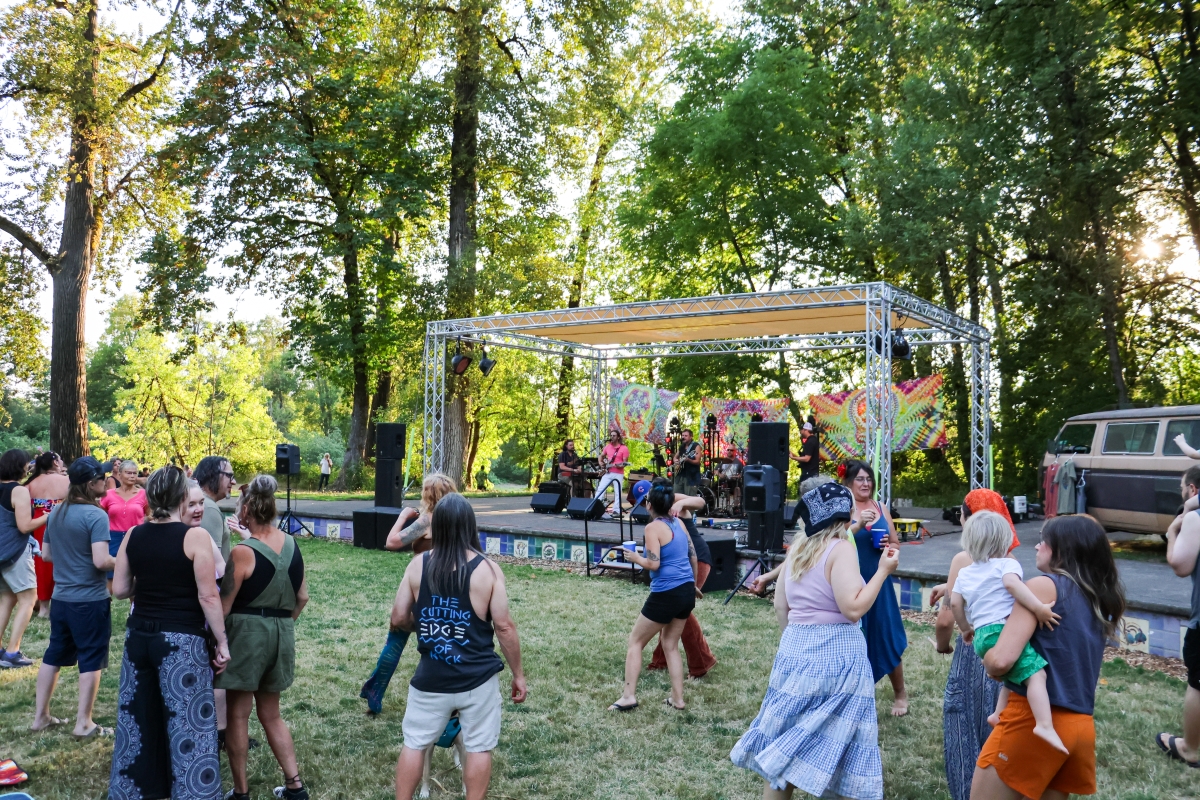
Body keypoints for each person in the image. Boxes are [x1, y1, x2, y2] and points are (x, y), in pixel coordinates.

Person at [730, 482, 899, 800]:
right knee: (839, 741)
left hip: (794, 651)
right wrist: (883, 571)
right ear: (843, 516)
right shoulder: (841, 548)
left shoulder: (798, 551)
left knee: (786, 743)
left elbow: (781, 605)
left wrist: (797, 645)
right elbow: (853, 608)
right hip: (838, 657)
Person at [971, 514, 1125, 800]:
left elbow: (1002, 660)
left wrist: (987, 661)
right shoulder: (1095, 599)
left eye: (1043, 540)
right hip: (1078, 728)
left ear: (1062, 549)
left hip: (1032, 723)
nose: (1036, 546)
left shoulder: (1043, 587)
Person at [391, 493, 527, 800]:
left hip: (431, 677)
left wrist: (425, 625)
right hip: (477, 679)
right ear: (470, 526)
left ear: (436, 526)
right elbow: (504, 627)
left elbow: (399, 617)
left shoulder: (417, 566)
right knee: (478, 745)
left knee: (414, 742)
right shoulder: (488, 570)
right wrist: (518, 674)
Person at [108, 466, 229, 800]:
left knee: (137, 721)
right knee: (190, 725)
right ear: (179, 498)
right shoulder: (195, 537)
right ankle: (194, 793)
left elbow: (119, 590)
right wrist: (222, 640)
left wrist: (148, 579)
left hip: (139, 640)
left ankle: (133, 791)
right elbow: (208, 596)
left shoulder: (134, 534)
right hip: (181, 642)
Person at [218, 475, 310, 800]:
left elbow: (223, 606)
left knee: (237, 714)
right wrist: (283, 626)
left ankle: (241, 792)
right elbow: (302, 597)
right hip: (282, 633)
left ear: (246, 511)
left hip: (247, 636)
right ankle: (295, 786)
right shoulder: (292, 544)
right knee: (271, 713)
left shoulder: (242, 552)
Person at [950, 510, 1065, 752]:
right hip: (1002, 628)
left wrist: (965, 629)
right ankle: (1044, 724)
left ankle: (997, 713)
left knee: (1010, 675)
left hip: (981, 636)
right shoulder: (1007, 564)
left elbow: (955, 604)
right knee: (1037, 674)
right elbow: (1013, 585)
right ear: (1003, 541)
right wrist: (1038, 608)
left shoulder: (964, 573)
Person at [932, 487, 1020, 800]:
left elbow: (945, 621)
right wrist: (949, 584)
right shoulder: (1010, 559)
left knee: (965, 736)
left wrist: (944, 646)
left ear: (971, 521)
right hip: (1007, 655)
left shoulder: (962, 558)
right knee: (999, 735)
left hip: (975, 654)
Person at [360, 473, 458, 715]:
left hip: (420, 581)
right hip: (449, 583)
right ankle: (449, 701)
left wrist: (403, 515)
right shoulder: (458, 520)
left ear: (429, 494)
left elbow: (392, 542)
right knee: (445, 641)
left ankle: (376, 690)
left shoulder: (428, 520)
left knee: (397, 633)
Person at [32, 456, 115, 737]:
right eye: (102, 478)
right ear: (92, 484)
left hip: (61, 599)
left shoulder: (57, 513)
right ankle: (84, 723)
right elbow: (102, 561)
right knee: (91, 658)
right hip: (89, 600)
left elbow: (46, 555)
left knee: (53, 654)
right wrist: (126, 561)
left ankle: (40, 717)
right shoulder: (96, 515)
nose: (106, 481)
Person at [609, 483, 699, 712]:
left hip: (666, 593)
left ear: (649, 505)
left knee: (636, 642)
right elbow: (693, 555)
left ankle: (628, 696)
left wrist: (634, 557)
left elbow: (654, 564)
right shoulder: (679, 522)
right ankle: (678, 700)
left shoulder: (652, 528)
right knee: (670, 645)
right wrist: (694, 585)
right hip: (686, 591)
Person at [844, 459, 909, 716]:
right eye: (860, 479)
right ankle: (856, 696)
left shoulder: (880, 507)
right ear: (848, 482)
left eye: (869, 478)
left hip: (879, 581)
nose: (866, 483)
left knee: (886, 635)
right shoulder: (844, 507)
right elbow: (835, 537)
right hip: (851, 579)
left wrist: (888, 546)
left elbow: (896, 544)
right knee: (856, 639)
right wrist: (858, 526)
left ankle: (900, 694)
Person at [647, 490, 718, 679]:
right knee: (670, 610)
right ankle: (660, 661)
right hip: (680, 564)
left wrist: (680, 504)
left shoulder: (671, 499)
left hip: (697, 559)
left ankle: (702, 662)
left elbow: (701, 501)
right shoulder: (656, 511)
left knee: (681, 612)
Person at [1159, 465, 1200, 766]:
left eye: (1183, 487)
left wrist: (1173, 531)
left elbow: (1180, 565)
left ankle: (1191, 748)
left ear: (1193, 489)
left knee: (1198, 684)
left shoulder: (1195, 519)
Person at [0, 449, 41, 668]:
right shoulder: (19, 491)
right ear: (20, 466)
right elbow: (24, 526)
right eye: (27, 464)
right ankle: (12, 652)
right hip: (14, 552)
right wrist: (50, 514)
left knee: (7, 598)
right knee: (28, 599)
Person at [25, 451, 70, 619]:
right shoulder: (67, 481)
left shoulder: (30, 483)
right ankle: (61, 602)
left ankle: (43, 606)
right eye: (60, 459)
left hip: (38, 522)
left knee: (41, 561)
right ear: (56, 463)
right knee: (64, 559)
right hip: (63, 521)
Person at [100, 459, 149, 590]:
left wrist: (143, 522)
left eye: (135, 473)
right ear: (120, 474)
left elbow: (150, 515)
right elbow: (100, 515)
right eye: (128, 473)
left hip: (136, 537)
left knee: (135, 578)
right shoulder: (109, 494)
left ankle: (134, 610)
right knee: (109, 580)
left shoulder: (143, 494)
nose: (132, 476)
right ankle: (105, 609)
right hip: (113, 538)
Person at [596, 430, 629, 518]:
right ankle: (594, 507)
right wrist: (600, 462)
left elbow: (625, 463)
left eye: (614, 435)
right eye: (611, 435)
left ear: (618, 437)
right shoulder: (607, 447)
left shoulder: (624, 448)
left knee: (617, 492)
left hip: (618, 473)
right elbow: (601, 456)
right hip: (608, 472)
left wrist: (620, 465)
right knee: (600, 489)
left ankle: (616, 511)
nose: (612, 437)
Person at [674, 429, 701, 496]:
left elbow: (697, 461)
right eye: (682, 435)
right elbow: (675, 457)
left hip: (691, 476)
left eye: (686, 436)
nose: (683, 437)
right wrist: (675, 460)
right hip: (680, 475)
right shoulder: (681, 446)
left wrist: (688, 460)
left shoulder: (696, 446)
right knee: (676, 495)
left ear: (691, 437)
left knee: (689, 497)